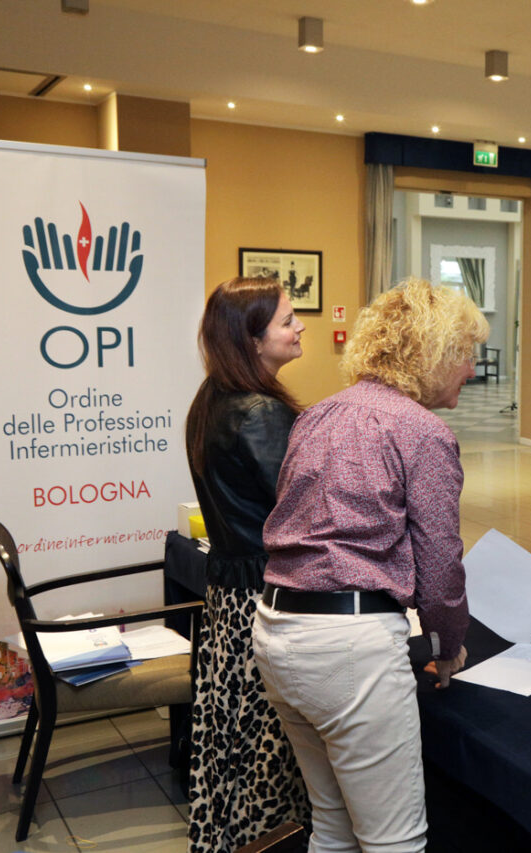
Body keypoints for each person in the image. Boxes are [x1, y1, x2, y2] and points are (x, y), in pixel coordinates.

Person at [251, 279, 484, 852]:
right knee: (394, 841)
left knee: (331, 824)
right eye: (468, 354)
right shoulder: (421, 431)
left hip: (277, 632)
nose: (473, 370)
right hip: (348, 649)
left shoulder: (319, 414)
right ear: (436, 354)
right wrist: (447, 644)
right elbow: (440, 566)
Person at [184, 276, 310, 852]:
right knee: (267, 753)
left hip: (229, 598)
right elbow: (302, 515)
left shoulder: (211, 397)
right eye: (287, 320)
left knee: (231, 741)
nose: (300, 326)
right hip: (266, 600)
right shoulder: (261, 412)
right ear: (253, 339)